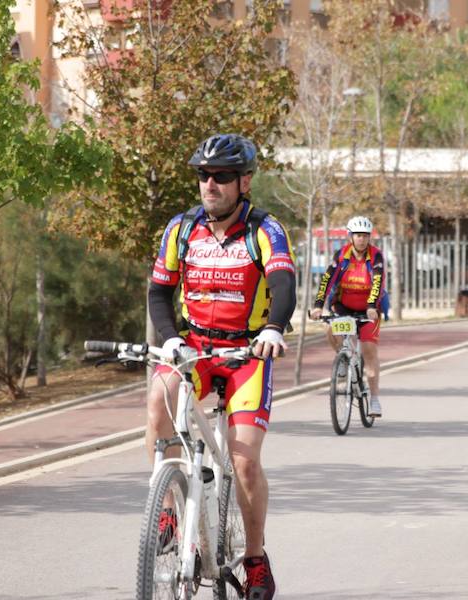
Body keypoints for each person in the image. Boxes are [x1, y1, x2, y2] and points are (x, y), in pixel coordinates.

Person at [148, 133, 296, 599]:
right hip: (193, 348)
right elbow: (158, 292)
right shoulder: (181, 228)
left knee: (244, 463)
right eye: (204, 175)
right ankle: (169, 504)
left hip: (246, 355)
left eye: (222, 176)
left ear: (244, 181)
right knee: (159, 398)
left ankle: (254, 557)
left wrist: (274, 328)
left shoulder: (264, 231)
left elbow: (283, 282)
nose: (210, 184)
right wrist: (170, 338)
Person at [309, 216, 385, 417]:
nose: (362, 239)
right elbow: (327, 280)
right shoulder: (341, 256)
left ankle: (375, 400)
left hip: (369, 310)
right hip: (343, 307)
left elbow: (377, 282)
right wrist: (318, 306)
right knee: (330, 329)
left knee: (369, 350)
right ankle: (342, 359)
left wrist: (371, 306)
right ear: (351, 236)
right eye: (358, 235)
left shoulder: (376, 256)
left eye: (365, 236)